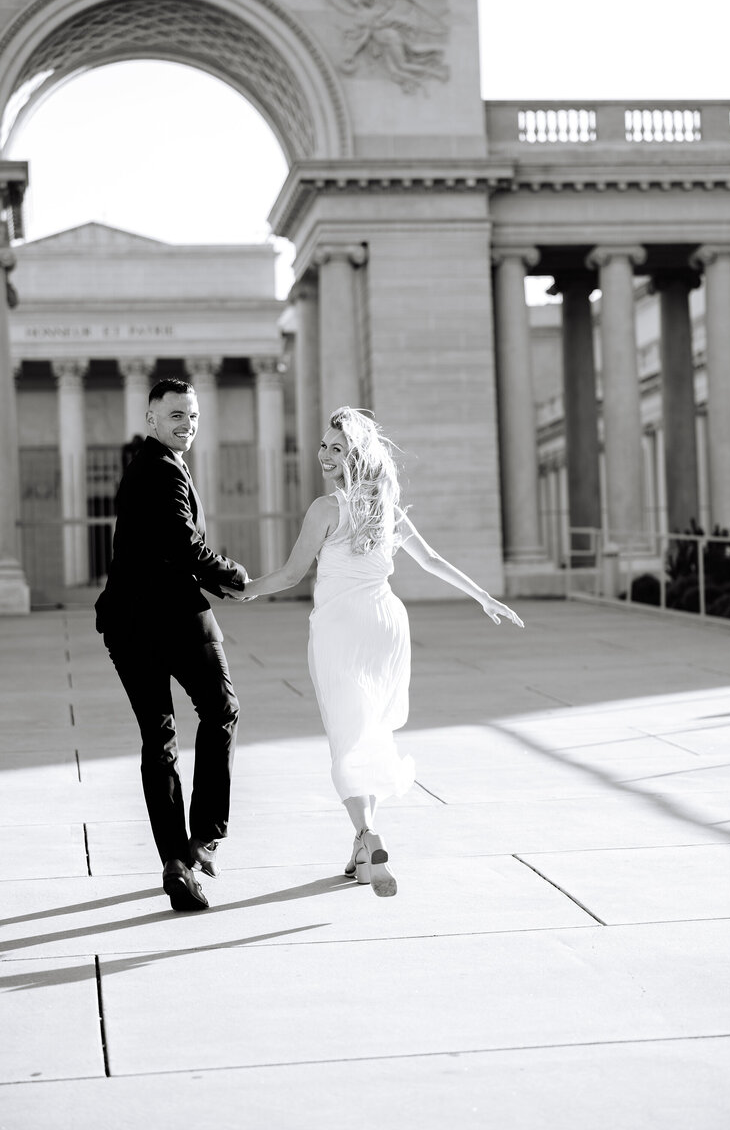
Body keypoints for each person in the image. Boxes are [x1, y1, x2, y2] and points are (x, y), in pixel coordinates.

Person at [223, 406, 523, 898]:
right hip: (386, 623)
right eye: (323, 446)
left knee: (347, 735)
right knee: (369, 732)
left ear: (353, 455)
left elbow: (293, 574)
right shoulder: (388, 509)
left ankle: (368, 834)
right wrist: (483, 597)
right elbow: (432, 561)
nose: (325, 455)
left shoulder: (326, 509)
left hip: (342, 625)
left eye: (335, 449)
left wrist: (245, 589)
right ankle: (362, 851)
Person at [95, 378, 248, 912]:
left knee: (159, 740)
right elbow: (186, 546)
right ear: (152, 418)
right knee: (221, 709)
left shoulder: (151, 466)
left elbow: (166, 546)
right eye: (177, 415)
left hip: (127, 623)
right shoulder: (161, 468)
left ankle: (176, 863)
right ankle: (201, 839)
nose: (188, 424)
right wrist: (235, 576)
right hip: (170, 619)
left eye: (194, 416)